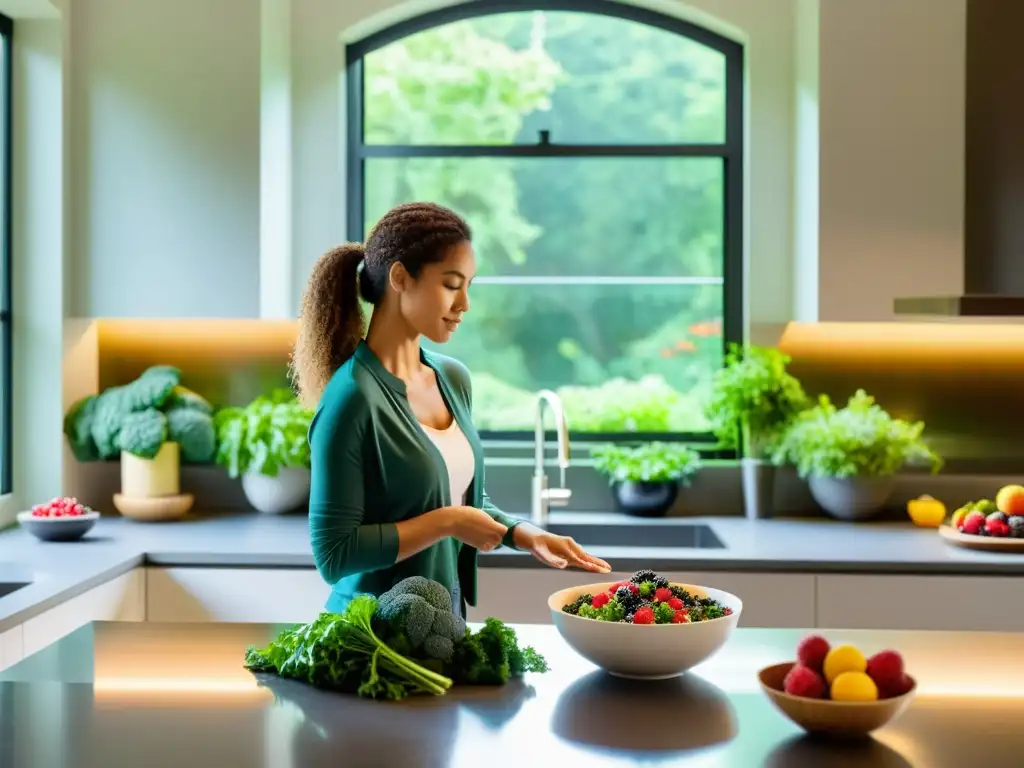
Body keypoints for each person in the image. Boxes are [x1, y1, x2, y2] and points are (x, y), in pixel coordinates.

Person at [291, 201, 611, 617]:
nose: (465, 304)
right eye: (451, 284)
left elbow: (456, 495)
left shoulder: (452, 378)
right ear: (400, 278)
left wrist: (526, 534)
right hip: (370, 639)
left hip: (442, 623)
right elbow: (334, 555)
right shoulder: (352, 398)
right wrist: (448, 522)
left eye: (468, 286)